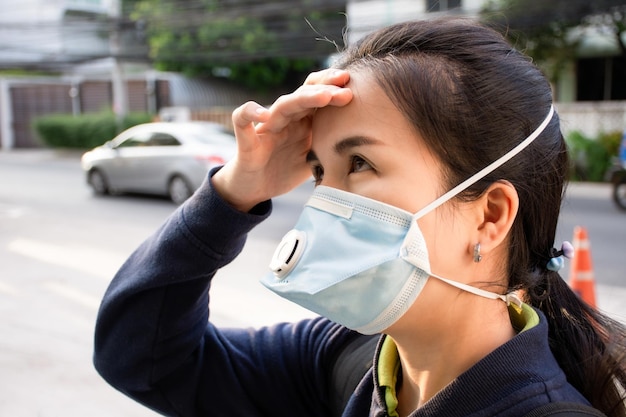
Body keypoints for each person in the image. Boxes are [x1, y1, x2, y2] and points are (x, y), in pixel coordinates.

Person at [93, 18, 626, 417]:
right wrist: (235, 191)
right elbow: (144, 360)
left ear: (489, 216)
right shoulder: (347, 358)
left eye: (361, 163)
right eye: (320, 170)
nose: (324, 203)